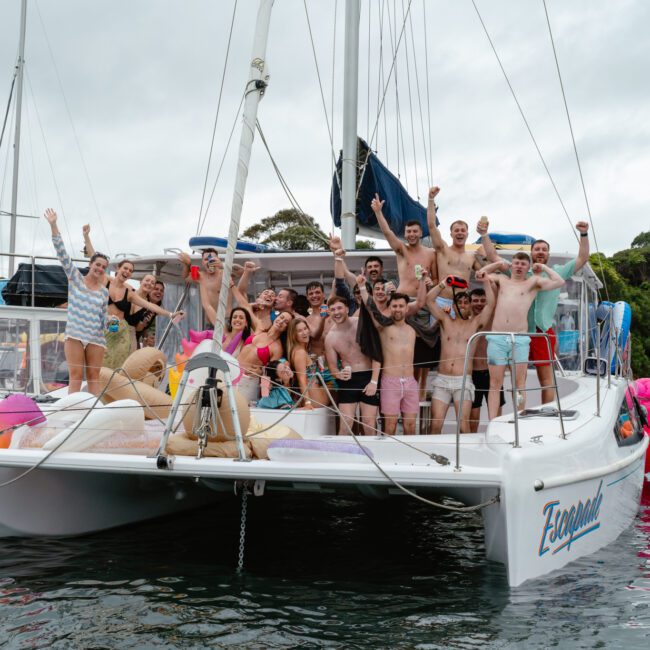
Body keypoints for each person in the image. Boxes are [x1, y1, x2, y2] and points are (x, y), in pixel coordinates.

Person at [477, 253, 565, 419]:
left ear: (528, 267)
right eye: (516, 263)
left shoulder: (533, 282)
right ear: (512, 265)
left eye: (523, 264)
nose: (518, 266)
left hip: (520, 339)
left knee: (519, 384)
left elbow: (559, 282)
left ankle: (519, 419)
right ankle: (492, 422)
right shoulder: (502, 279)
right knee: (494, 383)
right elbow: (480, 274)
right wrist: (499, 264)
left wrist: (544, 267)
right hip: (497, 338)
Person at [45, 209, 109, 395]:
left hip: (96, 337)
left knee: (93, 376)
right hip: (75, 334)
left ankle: (93, 413)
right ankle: (72, 413)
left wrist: (110, 322)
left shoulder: (104, 292)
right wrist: (53, 224)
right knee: (75, 374)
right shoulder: (75, 278)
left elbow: (103, 319)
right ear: (90, 264)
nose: (100, 268)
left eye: (103, 267)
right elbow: (62, 253)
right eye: (97, 264)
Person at [527, 222, 590, 403]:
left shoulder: (558, 272)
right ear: (531, 253)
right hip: (520, 331)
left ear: (548, 254)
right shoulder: (521, 271)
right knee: (517, 379)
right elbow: (493, 258)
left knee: (546, 380)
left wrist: (583, 234)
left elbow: (582, 258)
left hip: (543, 331)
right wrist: (484, 235)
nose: (540, 252)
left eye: (544, 249)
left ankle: (547, 414)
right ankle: (518, 416)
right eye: (537, 249)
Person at [426, 276, 495, 433]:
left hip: (463, 381)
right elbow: (429, 300)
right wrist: (444, 283)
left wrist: (485, 281)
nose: (462, 305)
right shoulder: (445, 320)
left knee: (464, 425)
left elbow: (490, 305)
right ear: (453, 306)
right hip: (442, 380)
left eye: (466, 302)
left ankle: (465, 458)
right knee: (435, 425)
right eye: (459, 302)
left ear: (470, 305)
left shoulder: (476, 323)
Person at [426, 186, 499, 315]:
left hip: (462, 304)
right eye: (456, 230)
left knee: (461, 335)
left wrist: (484, 256)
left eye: (462, 230)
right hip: (441, 301)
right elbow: (431, 226)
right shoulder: (443, 250)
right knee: (439, 335)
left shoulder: (471, 257)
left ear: (467, 234)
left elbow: (487, 271)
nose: (460, 233)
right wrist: (431, 199)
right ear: (451, 234)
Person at [358, 283, 418, 435]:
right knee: (389, 426)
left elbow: (424, 301)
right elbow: (371, 308)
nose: (397, 309)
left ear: (406, 308)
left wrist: (423, 281)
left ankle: (408, 458)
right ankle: (389, 457)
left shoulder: (414, 329)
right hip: (390, 381)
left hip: (410, 382)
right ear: (390, 308)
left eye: (401, 306)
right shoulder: (383, 327)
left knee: (411, 426)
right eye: (394, 306)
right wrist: (362, 287)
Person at [324, 295, 380, 435]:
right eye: (332, 309)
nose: (336, 312)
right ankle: (343, 456)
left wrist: (374, 381)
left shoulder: (361, 325)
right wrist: (339, 374)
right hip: (348, 380)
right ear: (329, 312)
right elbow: (332, 368)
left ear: (347, 309)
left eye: (339, 308)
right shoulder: (330, 337)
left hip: (368, 377)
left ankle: (372, 455)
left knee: (369, 424)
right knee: (346, 423)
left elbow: (376, 354)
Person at [370, 193, 437, 295]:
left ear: (421, 233)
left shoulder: (431, 253)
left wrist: (431, 282)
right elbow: (388, 232)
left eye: (415, 231)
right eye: (408, 231)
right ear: (404, 234)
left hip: (424, 301)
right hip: (403, 300)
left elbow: (436, 279)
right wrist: (378, 212)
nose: (411, 234)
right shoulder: (401, 249)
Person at [236, 311, 294, 403]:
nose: (281, 321)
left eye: (286, 322)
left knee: (240, 411)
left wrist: (260, 372)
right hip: (232, 372)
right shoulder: (260, 330)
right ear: (276, 317)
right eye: (281, 317)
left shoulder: (277, 348)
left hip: (248, 381)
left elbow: (270, 374)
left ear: (287, 329)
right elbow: (247, 308)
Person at [468, 288, 505, 431]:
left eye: (483, 301)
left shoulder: (494, 318)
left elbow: (495, 298)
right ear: (470, 302)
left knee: (497, 415)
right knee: (473, 415)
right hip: (473, 374)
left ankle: (497, 437)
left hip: (492, 372)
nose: (479, 304)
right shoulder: (466, 321)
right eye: (475, 301)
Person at [287, 319, 330, 409]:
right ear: (293, 335)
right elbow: (301, 379)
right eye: (299, 331)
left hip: (316, 392)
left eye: (305, 328)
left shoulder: (301, 350)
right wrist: (307, 402)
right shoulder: (300, 352)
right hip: (314, 396)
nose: (304, 333)